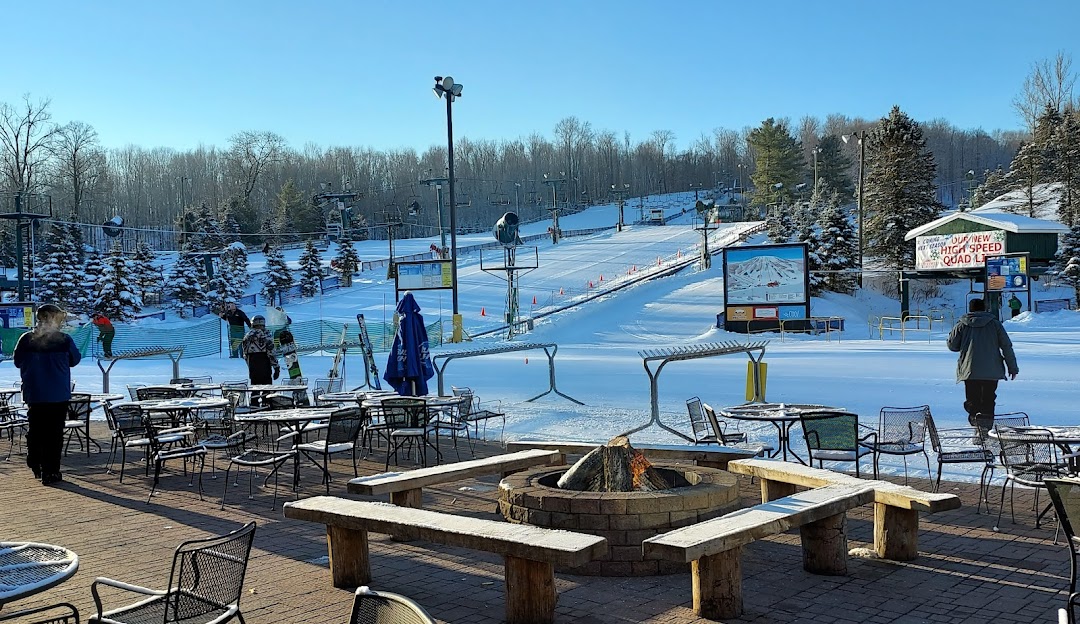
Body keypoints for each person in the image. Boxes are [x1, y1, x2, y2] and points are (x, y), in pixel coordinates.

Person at [13, 304, 82, 485]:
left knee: (37, 429)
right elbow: (75, 359)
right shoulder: (64, 340)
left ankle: (34, 458)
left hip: (34, 394)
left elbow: (17, 361)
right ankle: (51, 471)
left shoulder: (26, 339)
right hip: (58, 395)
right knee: (54, 434)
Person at [947, 297, 1019, 437]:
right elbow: (1006, 346)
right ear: (984, 308)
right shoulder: (995, 324)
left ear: (970, 309)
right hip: (992, 370)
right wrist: (1012, 367)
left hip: (970, 369)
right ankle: (985, 430)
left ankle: (976, 423)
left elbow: (952, 346)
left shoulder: (962, 325)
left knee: (972, 400)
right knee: (988, 399)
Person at [241, 315, 280, 406]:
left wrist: (250, 365)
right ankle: (266, 407)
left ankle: (254, 407)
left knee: (255, 389)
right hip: (265, 364)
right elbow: (271, 352)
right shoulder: (266, 335)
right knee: (267, 389)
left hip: (253, 364)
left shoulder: (247, 337)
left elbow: (245, 354)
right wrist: (276, 367)